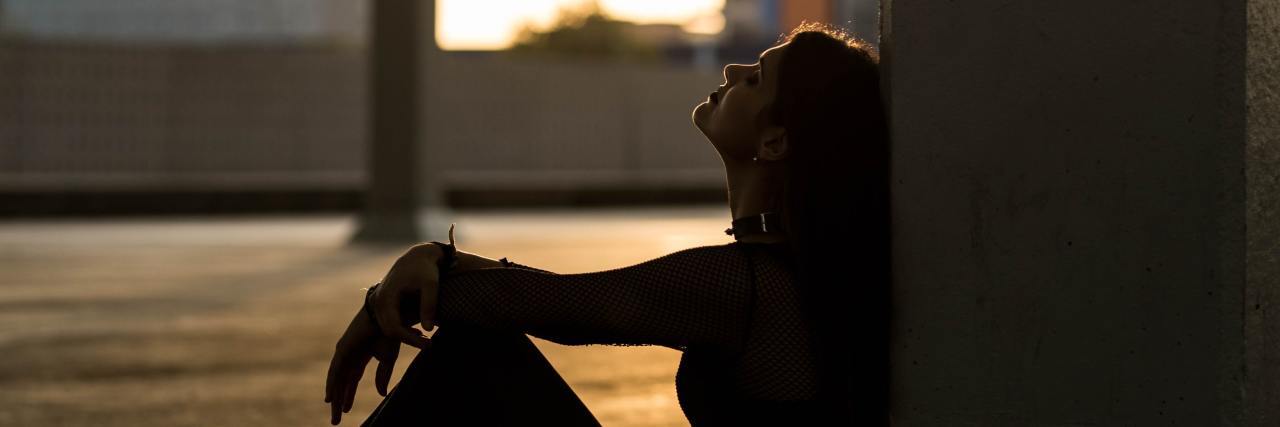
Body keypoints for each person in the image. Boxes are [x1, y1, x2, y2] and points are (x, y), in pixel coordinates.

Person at [324, 22, 890, 426]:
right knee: (478, 348)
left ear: (775, 140)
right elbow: (545, 298)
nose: (733, 67)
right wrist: (436, 262)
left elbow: (562, 307)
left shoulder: (744, 286)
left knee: (475, 352)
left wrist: (389, 297)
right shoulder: (774, 272)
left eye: (755, 79)